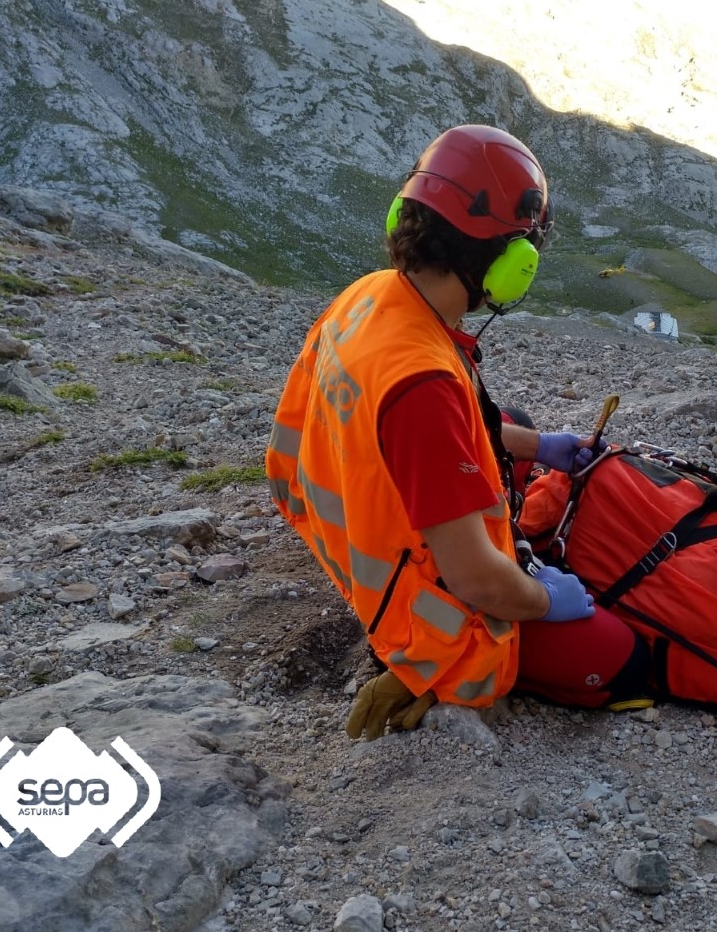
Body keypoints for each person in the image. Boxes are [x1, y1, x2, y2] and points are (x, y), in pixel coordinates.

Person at [265, 125, 649, 741]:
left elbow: (444, 433)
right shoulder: (423, 386)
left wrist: (542, 445)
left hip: (339, 522)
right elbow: (473, 577)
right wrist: (542, 599)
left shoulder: (374, 295)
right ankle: (429, 663)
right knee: (620, 660)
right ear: (506, 264)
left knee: (513, 424)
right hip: (408, 599)